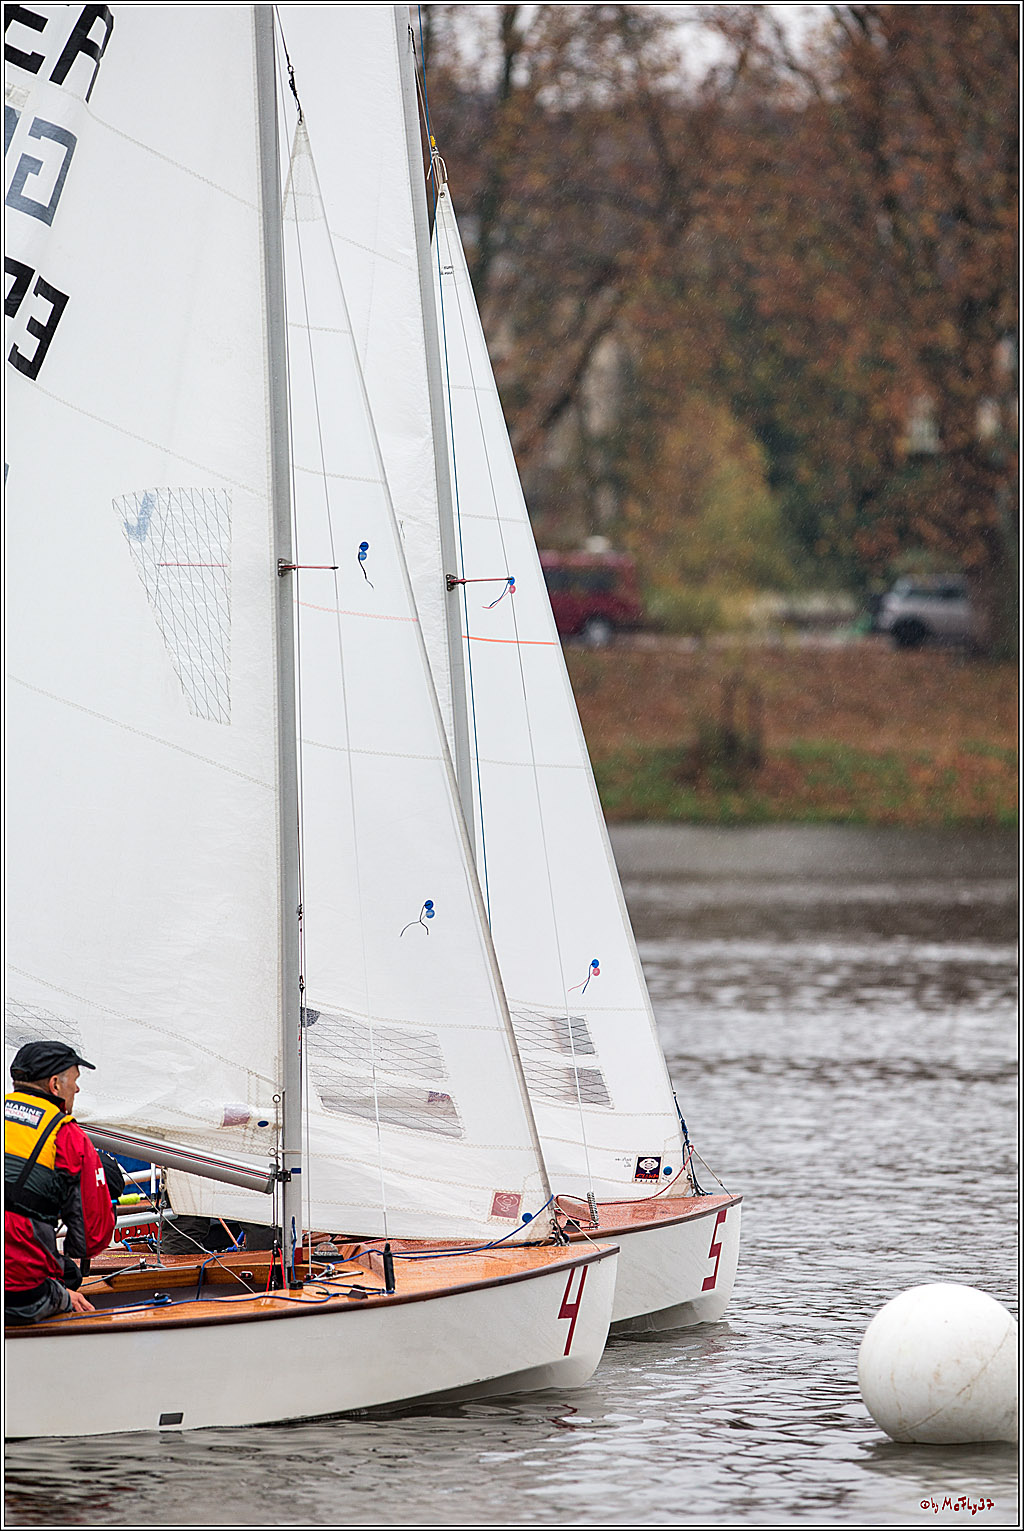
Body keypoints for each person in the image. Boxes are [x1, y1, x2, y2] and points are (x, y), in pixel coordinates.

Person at [4, 1041, 116, 1325]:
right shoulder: (67, 1136)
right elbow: (91, 1238)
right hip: (18, 1294)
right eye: (75, 1080)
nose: (76, 1090)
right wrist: (64, 1291)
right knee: (68, 1278)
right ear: (55, 1085)